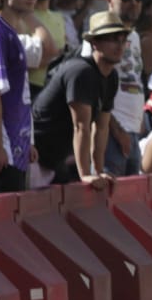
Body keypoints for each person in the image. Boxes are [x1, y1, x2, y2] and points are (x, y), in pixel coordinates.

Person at [31, 10, 128, 186]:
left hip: (54, 160)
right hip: (32, 156)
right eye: (112, 39)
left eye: (122, 40)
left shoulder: (111, 76)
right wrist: (86, 175)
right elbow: (81, 127)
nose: (119, 46)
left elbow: (102, 127)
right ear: (94, 43)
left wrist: (98, 172)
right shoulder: (81, 72)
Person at [83, 0, 148, 177]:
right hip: (111, 131)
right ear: (110, 1)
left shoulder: (135, 36)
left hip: (133, 130)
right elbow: (92, 88)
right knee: (108, 193)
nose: (134, 3)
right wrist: (115, 128)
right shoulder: (99, 36)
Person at [0, 0, 41, 193]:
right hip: (1, 154)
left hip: (16, 149)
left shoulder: (11, 33)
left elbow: (21, 93)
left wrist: (28, 141)